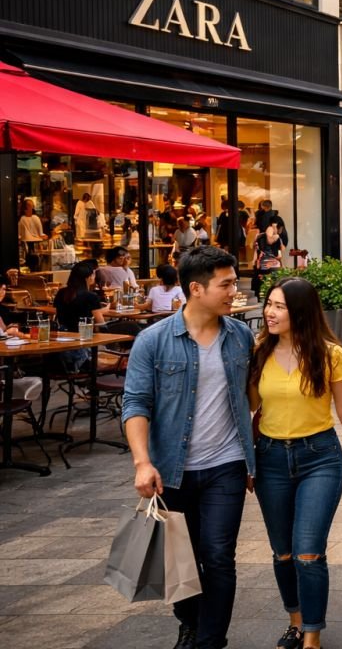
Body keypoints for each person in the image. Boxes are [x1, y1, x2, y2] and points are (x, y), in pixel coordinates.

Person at [122, 246, 256, 649]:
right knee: (179, 558)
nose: (235, 290)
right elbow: (135, 403)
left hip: (226, 465)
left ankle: (211, 640)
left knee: (217, 555)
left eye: (234, 282)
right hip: (172, 469)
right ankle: (191, 621)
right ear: (196, 289)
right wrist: (142, 462)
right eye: (226, 284)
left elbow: (254, 393)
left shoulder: (241, 336)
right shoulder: (153, 341)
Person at [249, 277, 342, 649]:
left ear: (299, 312)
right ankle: (296, 621)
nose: (269, 313)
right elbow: (249, 408)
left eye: (278, 307)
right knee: (283, 552)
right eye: (268, 304)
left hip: (319, 458)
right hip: (270, 458)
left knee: (307, 551)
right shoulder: (260, 352)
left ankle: (312, 637)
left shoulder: (329, 354)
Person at [252, 222, 285, 300]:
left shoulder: (258, 236)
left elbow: (254, 248)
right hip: (273, 265)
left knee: (262, 280)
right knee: (276, 280)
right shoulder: (277, 237)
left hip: (261, 265)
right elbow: (279, 255)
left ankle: (260, 296)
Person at [18, 199, 47, 271]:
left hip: (35, 244)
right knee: (29, 262)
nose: (32, 208)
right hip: (27, 244)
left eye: (32, 206)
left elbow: (40, 233)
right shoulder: (22, 219)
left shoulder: (36, 218)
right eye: (30, 206)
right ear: (25, 209)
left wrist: (43, 236)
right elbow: (20, 234)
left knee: (35, 262)